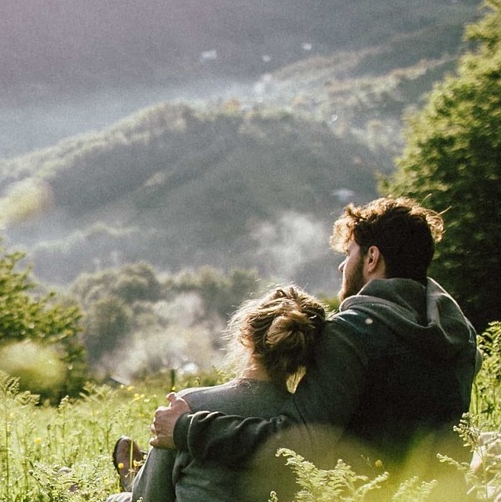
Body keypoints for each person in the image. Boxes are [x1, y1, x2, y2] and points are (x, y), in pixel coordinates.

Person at [150, 197, 480, 477]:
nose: (341, 268)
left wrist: (186, 428)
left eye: (348, 254)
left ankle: (137, 481)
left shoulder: (352, 334)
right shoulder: (459, 337)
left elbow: (297, 444)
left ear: (371, 258)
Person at [113, 285, 328, 502]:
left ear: (245, 336)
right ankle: (134, 477)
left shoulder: (190, 406)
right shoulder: (307, 427)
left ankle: (129, 482)